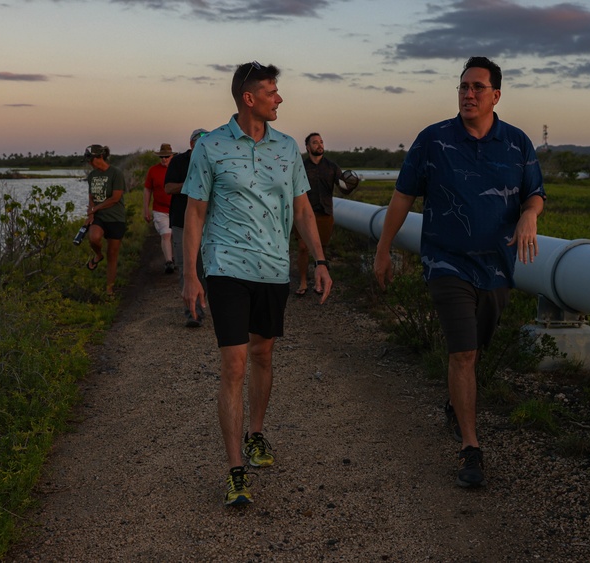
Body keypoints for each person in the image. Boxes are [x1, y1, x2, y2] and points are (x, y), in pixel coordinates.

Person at [373, 56, 546, 488]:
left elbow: (535, 194)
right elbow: (402, 198)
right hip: (445, 259)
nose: (469, 94)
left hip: (497, 265)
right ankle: (471, 449)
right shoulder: (433, 140)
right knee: (463, 351)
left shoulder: (517, 143)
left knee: (476, 346)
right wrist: (383, 248)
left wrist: (530, 216)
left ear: (496, 95)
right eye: (463, 87)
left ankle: (456, 403)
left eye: (478, 88)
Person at [181, 61, 332, 506]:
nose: (279, 98)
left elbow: (303, 211)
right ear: (250, 98)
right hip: (226, 268)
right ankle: (235, 471)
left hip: (272, 269)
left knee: (263, 353)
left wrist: (320, 260)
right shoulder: (210, 147)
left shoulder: (287, 149)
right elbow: (194, 213)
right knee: (235, 364)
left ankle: (257, 433)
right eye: (272, 91)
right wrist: (190, 275)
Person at [292, 132, 359, 296]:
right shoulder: (300, 166)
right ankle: (302, 281)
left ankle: (318, 282)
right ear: (308, 147)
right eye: (315, 142)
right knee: (302, 247)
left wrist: (350, 184)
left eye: (321, 142)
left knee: (321, 250)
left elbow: (343, 188)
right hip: (304, 212)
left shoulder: (332, 167)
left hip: (325, 213)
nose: (319, 145)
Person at [164, 129, 209, 327]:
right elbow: (168, 188)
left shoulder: (213, 160)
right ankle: (193, 313)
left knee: (208, 269)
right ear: (191, 144)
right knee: (186, 268)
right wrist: (193, 185)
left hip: (210, 224)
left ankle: (205, 304)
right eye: (200, 142)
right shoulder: (178, 162)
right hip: (182, 222)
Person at [84, 144, 128, 298]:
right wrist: (91, 214)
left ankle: (109, 290)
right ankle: (97, 255)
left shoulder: (116, 173)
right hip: (99, 218)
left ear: (100, 157)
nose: (90, 163)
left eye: (91, 159)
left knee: (112, 254)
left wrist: (95, 209)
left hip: (116, 218)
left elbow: (115, 198)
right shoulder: (92, 176)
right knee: (94, 238)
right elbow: (91, 198)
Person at [143, 143, 177, 274]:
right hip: (160, 209)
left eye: (167, 156)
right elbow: (147, 190)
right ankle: (168, 262)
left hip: (175, 209)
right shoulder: (153, 170)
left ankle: (175, 259)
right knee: (166, 234)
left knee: (177, 236)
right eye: (162, 157)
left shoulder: (177, 168)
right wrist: (146, 209)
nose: (164, 159)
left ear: (171, 156)